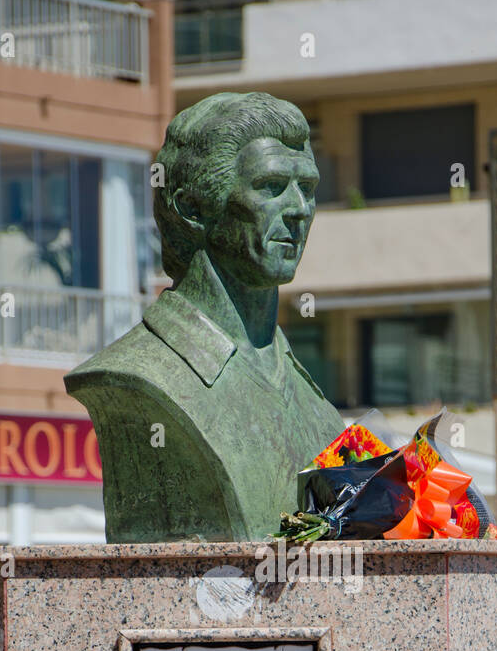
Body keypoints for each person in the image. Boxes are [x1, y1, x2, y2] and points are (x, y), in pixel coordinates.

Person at [66, 92, 343, 542]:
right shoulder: (137, 378)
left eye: (307, 188)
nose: (298, 209)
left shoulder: (320, 412)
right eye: (271, 186)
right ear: (192, 207)